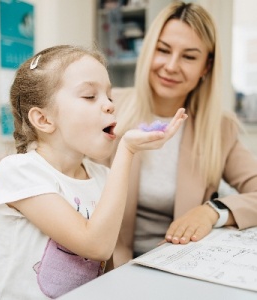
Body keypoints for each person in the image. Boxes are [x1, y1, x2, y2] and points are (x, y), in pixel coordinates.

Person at [0, 45, 186, 299]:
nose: (109, 106)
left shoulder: (101, 176)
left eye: (110, 96)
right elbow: (96, 246)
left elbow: (112, 259)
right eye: (90, 96)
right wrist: (127, 150)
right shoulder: (20, 172)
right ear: (44, 120)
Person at [111, 1, 257, 267]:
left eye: (189, 56)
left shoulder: (220, 128)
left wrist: (212, 212)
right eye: (163, 50)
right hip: (105, 268)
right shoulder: (108, 106)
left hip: (177, 267)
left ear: (206, 67)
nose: (171, 65)